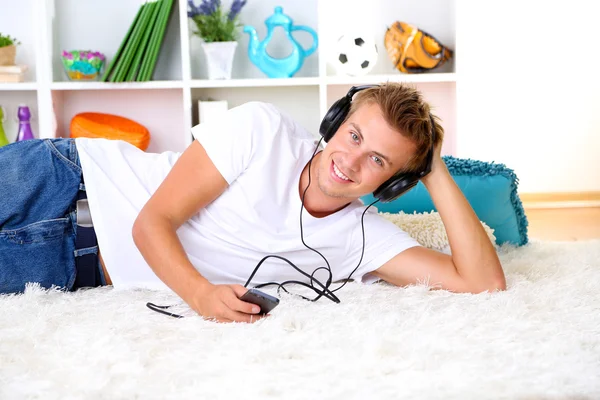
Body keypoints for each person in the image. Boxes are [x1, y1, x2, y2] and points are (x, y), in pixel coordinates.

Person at [0, 83, 505, 323]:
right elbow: (152, 222)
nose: (350, 162)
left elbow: (483, 284)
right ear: (334, 122)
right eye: (352, 135)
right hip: (65, 178)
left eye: (377, 161)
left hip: (64, 264)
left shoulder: (363, 237)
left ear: (395, 182)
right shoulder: (265, 129)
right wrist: (200, 295)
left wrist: (432, 164)